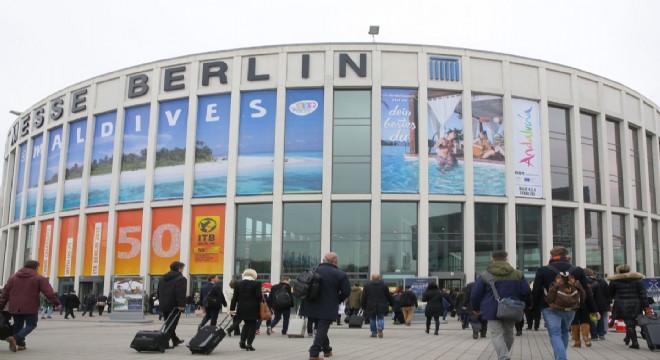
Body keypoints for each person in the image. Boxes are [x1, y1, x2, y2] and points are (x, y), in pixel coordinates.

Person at [532, 246, 598, 360]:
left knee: (555, 333)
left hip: (550, 307)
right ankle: (560, 357)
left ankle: (561, 358)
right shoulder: (577, 270)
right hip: (571, 307)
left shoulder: (543, 270)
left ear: (552, 256)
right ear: (566, 255)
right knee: (565, 332)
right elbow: (586, 290)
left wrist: (534, 308)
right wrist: (593, 309)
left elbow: (536, 291)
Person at [471, 250, 531, 360]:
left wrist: (476, 308)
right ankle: (504, 355)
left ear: (492, 259)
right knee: (508, 332)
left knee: (496, 334)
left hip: (491, 308)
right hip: (511, 308)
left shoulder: (484, 275)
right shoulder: (518, 274)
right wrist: (522, 304)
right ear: (506, 258)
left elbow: (475, 294)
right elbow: (526, 292)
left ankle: (503, 356)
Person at [0, 260, 61, 352]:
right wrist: (57, 303)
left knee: (18, 324)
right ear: (35, 267)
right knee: (31, 324)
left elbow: (5, 294)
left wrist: (1, 305)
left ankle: (20, 345)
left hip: (14, 306)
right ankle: (15, 338)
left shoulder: (12, 278)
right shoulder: (39, 278)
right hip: (30, 306)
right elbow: (48, 292)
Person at [301, 252, 351, 360]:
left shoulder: (313, 271)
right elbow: (346, 291)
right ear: (335, 262)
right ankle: (314, 353)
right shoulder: (340, 274)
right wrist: (338, 299)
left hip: (311, 305)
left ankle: (327, 350)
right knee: (322, 329)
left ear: (323, 261)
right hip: (328, 306)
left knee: (320, 328)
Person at [607, 264, 649, 349]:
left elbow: (609, 294)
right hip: (636, 304)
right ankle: (627, 339)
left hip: (622, 304)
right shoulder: (637, 280)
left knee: (629, 323)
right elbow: (643, 294)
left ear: (618, 271)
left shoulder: (615, 281)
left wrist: (610, 300)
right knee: (632, 322)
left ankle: (635, 343)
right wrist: (646, 305)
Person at [230, 269, 262, 351]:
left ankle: (242, 341)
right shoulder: (257, 283)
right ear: (254, 275)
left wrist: (232, 309)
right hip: (253, 308)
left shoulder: (238, 284)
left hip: (241, 308)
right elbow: (258, 296)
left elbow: (234, 298)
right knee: (252, 325)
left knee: (246, 324)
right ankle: (249, 344)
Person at [157, 261, 187, 348]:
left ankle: (175, 340)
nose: (183, 270)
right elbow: (180, 293)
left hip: (164, 305)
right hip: (175, 306)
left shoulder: (162, 279)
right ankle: (164, 343)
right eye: (182, 268)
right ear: (179, 269)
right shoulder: (181, 279)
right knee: (171, 324)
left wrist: (161, 302)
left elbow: (158, 292)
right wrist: (181, 305)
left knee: (168, 323)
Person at [360, 273, 394, 339]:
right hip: (381, 304)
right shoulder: (384, 285)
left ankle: (374, 333)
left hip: (370, 305)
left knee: (372, 318)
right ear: (379, 278)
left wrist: (363, 305)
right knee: (380, 318)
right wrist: (391, 303)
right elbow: (388, 295)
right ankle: (380, 327)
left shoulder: (367, 285)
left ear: (371, 278)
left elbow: (364, 296)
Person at [586, 269, 609, 341]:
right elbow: (607, 292)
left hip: (593, 303)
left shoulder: (589, 282)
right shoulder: (602, 281)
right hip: (602, 303)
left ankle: (594, 335)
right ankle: (601, 334)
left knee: (592, 319)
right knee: (600, 318)